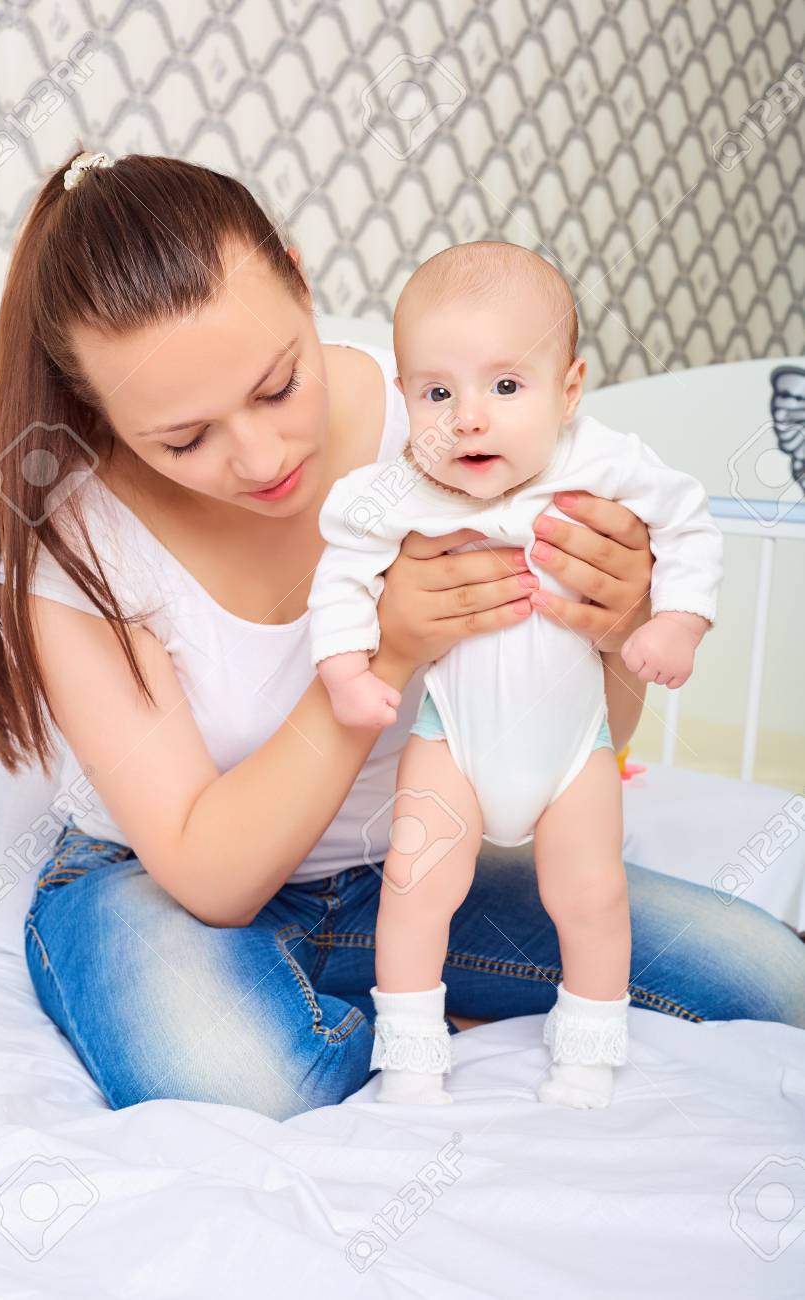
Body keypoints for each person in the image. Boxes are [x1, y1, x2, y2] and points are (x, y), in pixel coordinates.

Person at [0, 150, 805, 1121]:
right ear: (99, 413)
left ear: (300, 277)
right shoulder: (79, 541)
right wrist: (382, 652)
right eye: (183, 440)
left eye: (278, 384)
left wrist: (610, 631)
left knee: (769, 984)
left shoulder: (446, 409)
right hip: (163, 881)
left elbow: (572, 734)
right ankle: (404, 1009)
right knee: (245, 1083)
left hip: (404, 849)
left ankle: (394, 986)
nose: (261, 455)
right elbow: (210, 873)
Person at [308, 241, 723, 1108]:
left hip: (574, 749)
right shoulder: (403, 488)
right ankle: (414, 1055)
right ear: (405, 399)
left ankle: (587, 1048)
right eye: (437, 393)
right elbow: (343, 564)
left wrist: (677, 618)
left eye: (505, 386)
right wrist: (347, 666)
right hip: (449, 741)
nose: (468, 419)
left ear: (568, 392)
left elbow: (688, 521)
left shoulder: (600, 462)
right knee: (417, 889)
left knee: (593, 894)